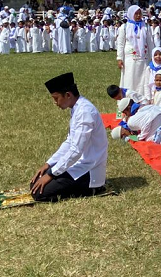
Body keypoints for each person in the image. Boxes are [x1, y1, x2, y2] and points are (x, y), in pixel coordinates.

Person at [30, 72, 109, 201]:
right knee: (37, 183)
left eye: (56, 98)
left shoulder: (85, 112)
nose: (55, 102)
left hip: (89, 169)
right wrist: (49, 164)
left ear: (68, 95)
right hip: (79, 165)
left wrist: (51, 174)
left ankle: (94, 188)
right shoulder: (77, 108)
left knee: (39, 193)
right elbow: (69, 142)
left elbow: (76, 150)